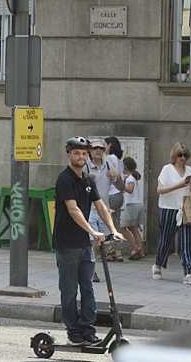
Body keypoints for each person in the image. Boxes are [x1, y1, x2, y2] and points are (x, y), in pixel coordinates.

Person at [54, 136, 124, 346]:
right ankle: (73, 332)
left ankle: (87, 330)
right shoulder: (64, 179)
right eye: (77, 153)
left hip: (84, 245)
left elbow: (101, 206)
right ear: (69, 155)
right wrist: (93, 230)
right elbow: (73, 209)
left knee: (88, 287)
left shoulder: (88, 179)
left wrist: (112, 229)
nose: (81, 157)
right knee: (69, 290)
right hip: (67, 243)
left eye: (84, 153)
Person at [153, 142, 191, 285]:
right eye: (180, 155)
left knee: (186, 242)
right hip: (168, 208)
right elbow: (160, 190)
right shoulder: (167, 169)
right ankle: (158, 265)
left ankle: (188, 273)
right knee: (165, 240)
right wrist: (179, 185)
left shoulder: (190, 170)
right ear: (175, 155)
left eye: (185, 155)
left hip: (184, 209)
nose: (183, 158)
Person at [85, 140, 123, 283]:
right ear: (90, 151)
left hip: (104, 209)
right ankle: (90, 271)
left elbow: (120, 187)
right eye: (95, 148)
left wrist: (117, 176)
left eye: (101, 148)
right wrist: (87, 180)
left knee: (105, 243)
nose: (98, 151)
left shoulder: (108, 165)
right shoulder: (86, 167)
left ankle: (89, 266)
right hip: (90, 209)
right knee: (94, 240)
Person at [120, 157, 145, 260]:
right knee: (134, 229)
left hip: (132, 205)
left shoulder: (130, 178)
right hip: (138, 204)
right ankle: (141, 252)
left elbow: (130, 190)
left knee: (122, 228)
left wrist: (122, 186)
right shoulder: (133, 177)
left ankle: (135, 247)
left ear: (125, 167)